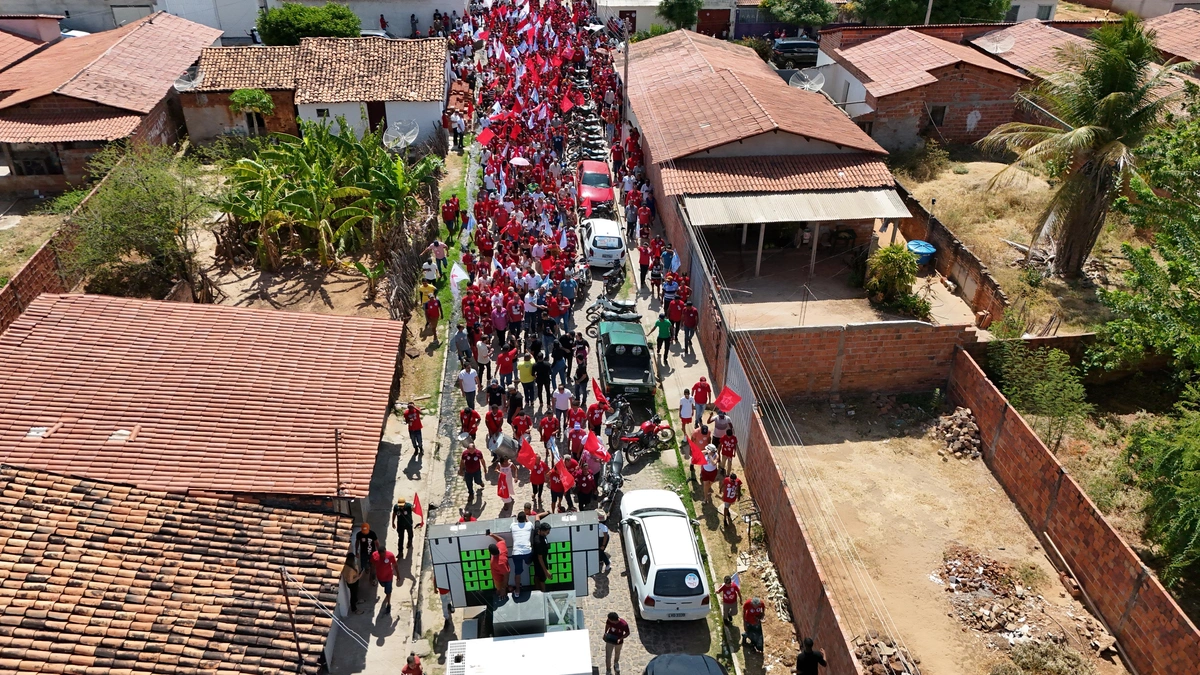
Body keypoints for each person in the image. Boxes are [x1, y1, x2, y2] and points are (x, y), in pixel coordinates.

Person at [510, 511, 534, 595]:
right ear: (525, 519)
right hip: (527, 552)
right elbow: (530, 523)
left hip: (516, 552)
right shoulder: (529, 525)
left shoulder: (513, 526)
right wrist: (527, 517)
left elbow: (512, 525)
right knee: (530, 558)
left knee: (517, 572)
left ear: (517, 519)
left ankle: (517, 591)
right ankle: (528, 563)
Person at [371, 541, 399, 613]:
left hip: (388, 577)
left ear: (385, 551)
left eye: (384, 553)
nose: (383, 555)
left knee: (388, 591)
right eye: (381, 554)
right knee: (383, 586)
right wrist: (372, 575)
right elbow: (373, 565)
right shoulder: (374, 555)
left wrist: (398, 575)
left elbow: (395, 565)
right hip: (380, 577)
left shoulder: (390, 556)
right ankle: (387, 592)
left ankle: (388, 604)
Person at [486, 530, 510, 601]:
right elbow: (502, 540)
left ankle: (503, 595)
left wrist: (503, 589)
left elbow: (506, 574)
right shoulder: (502, 547)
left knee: (500, 593)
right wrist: (492, 535)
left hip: (499, 578)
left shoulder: (499, 562)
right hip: (500, 573)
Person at [532, 520, 552, 591]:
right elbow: (540, 558)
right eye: (547, 532)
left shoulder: (537, 530)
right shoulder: (539, 542)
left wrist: (547, 512)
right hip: (540, 562)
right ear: (542, 531)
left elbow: (537, 518)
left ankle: (537, 590)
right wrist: (546, 571)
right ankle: (543, 593)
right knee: (542, 578)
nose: (548, 533)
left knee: (537, 576)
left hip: (539, 559)